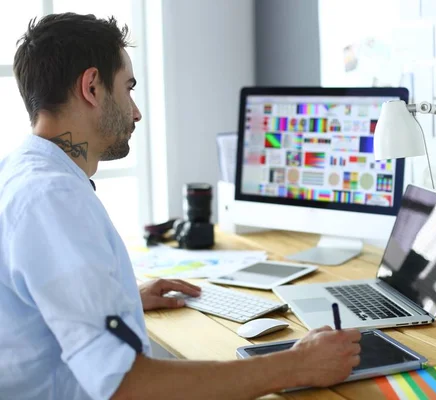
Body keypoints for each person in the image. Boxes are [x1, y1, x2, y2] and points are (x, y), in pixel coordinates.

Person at [0, 13, 361, 400]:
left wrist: (120, 298)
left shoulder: (21, 170)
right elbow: (125, 385)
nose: (136, 111)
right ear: (91, 86)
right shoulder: (54, 200)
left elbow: (33, 301)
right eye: (128, 87)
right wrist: (297, 365)